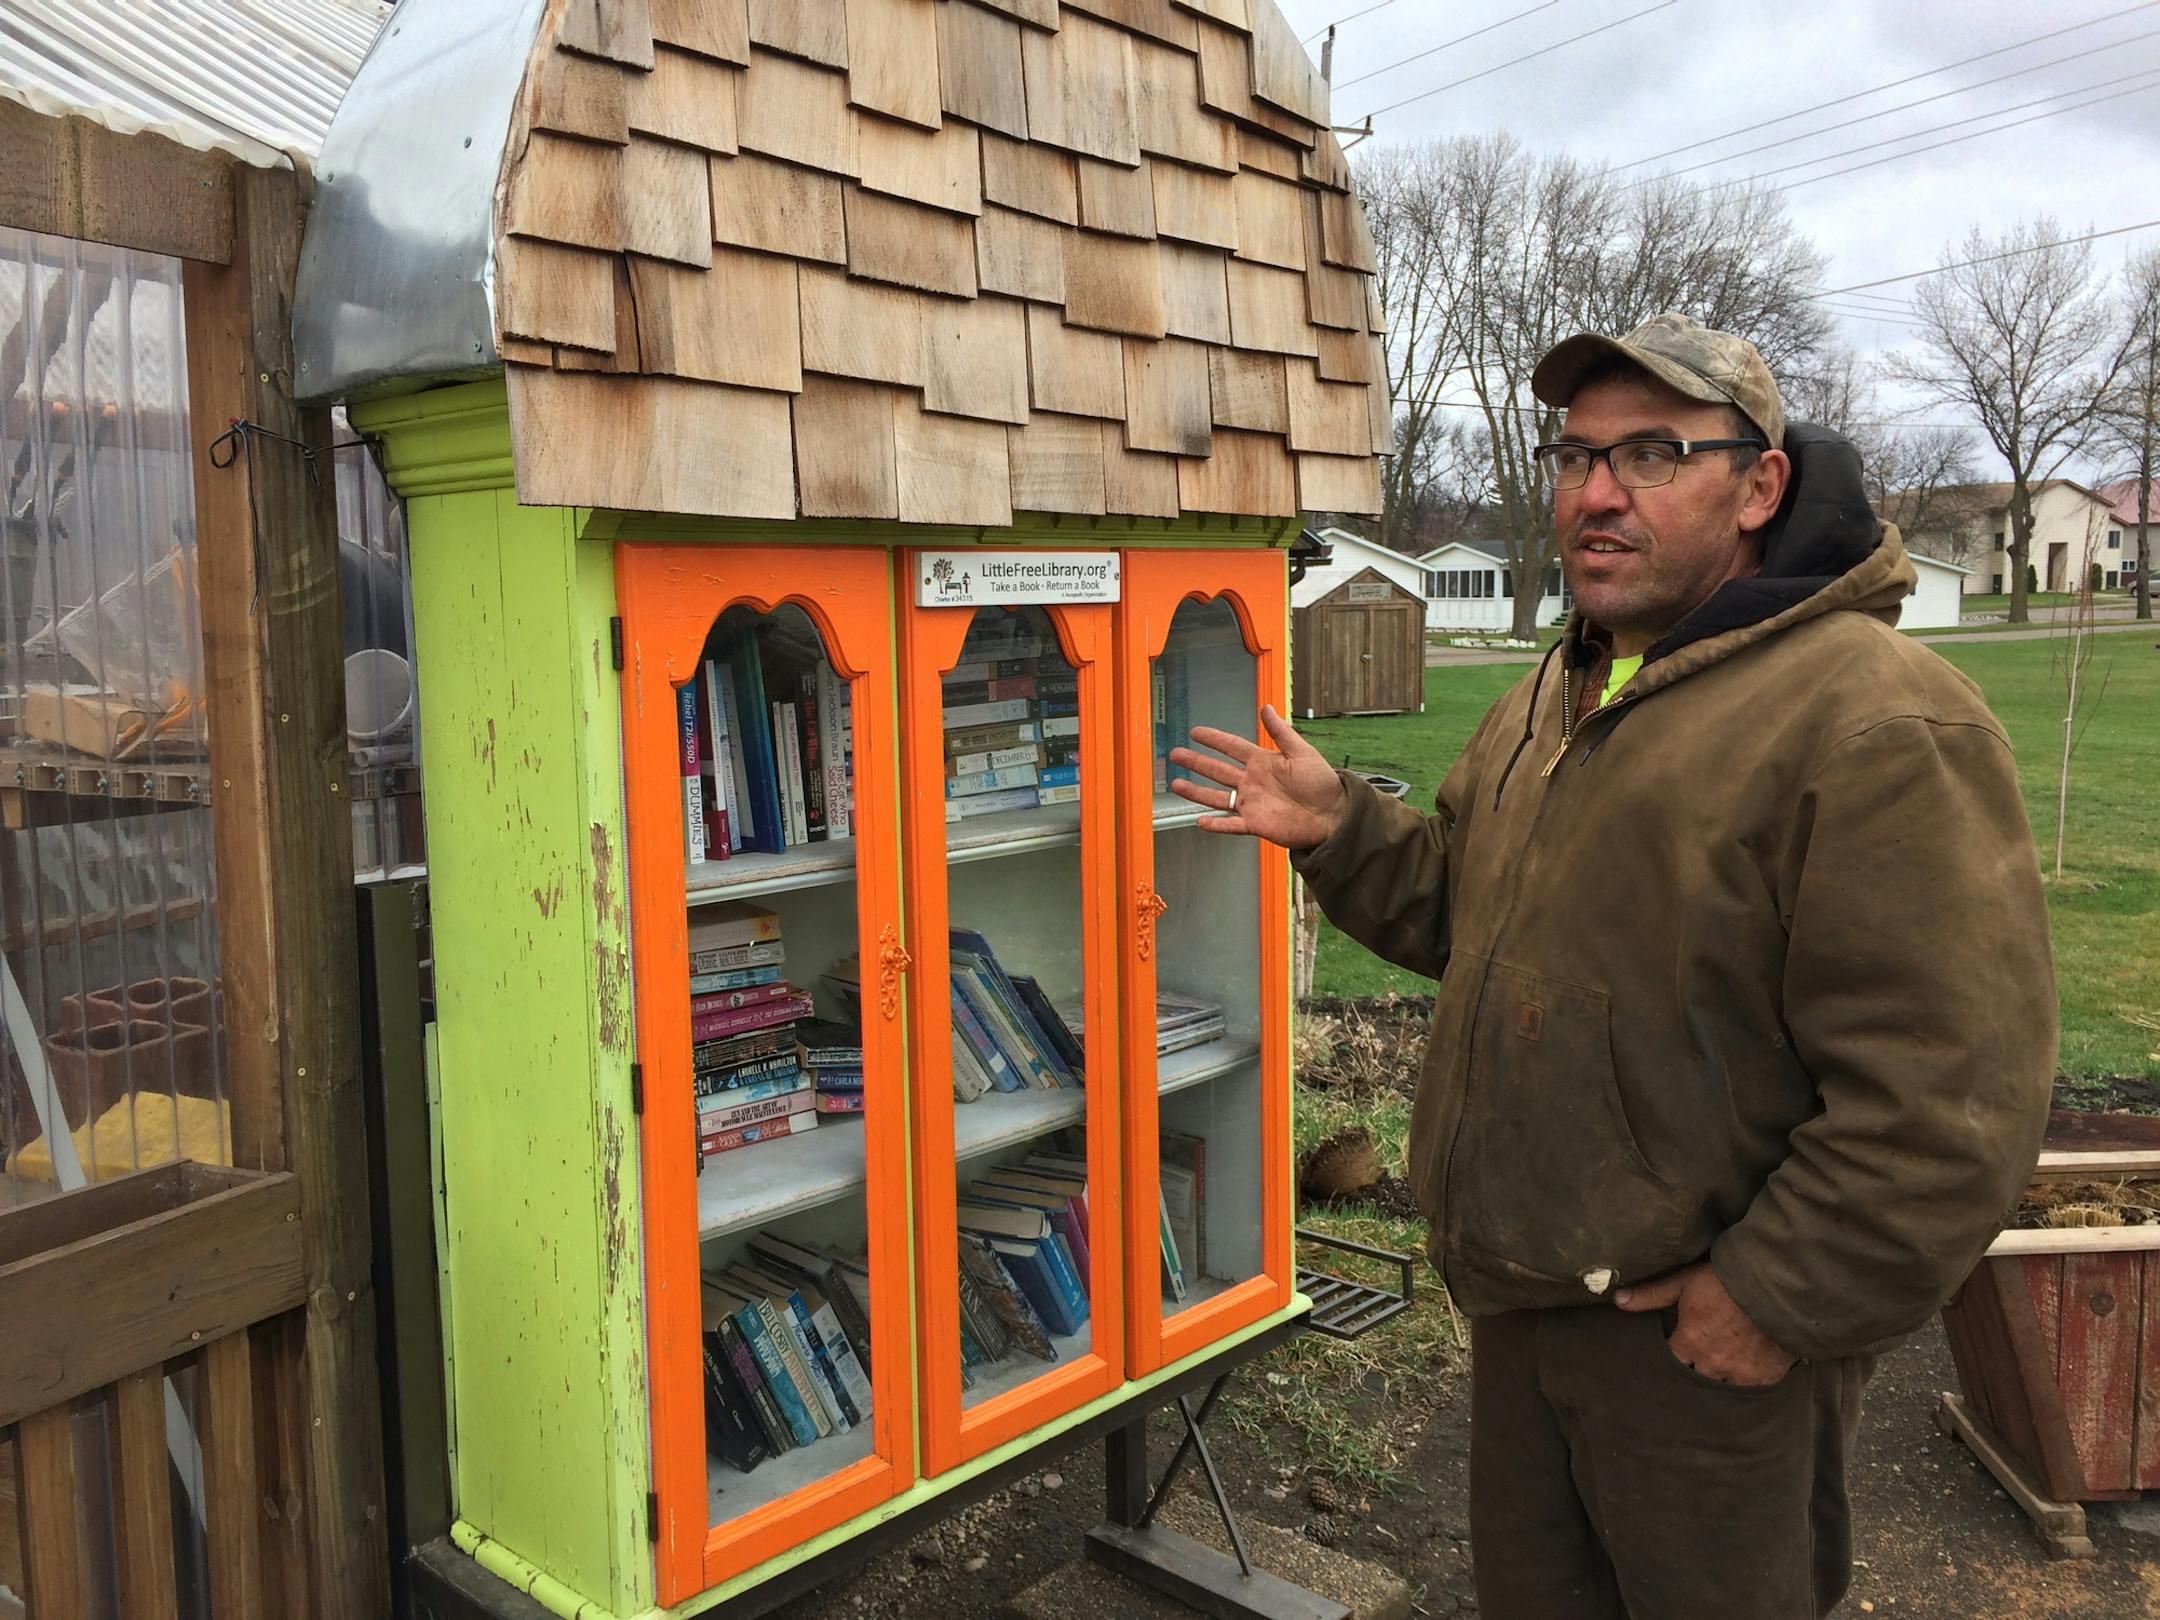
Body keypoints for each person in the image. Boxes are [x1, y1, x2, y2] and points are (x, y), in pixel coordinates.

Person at [1169, 314, 2056, 1620]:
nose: (1594, 492)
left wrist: (1766, 1298)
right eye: (1574, 455)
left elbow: (1951, 1093)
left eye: (1652, 454)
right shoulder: (1568, 685)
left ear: (1761, 486)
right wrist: (1343, 829)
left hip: (1698, 1360)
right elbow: (1471, 915)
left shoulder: (1871, 721)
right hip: (1528, 1309)